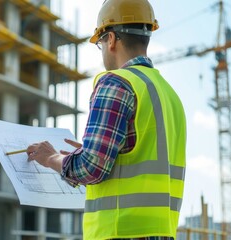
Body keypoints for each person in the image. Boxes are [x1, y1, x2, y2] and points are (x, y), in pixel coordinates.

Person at [26, 0, 186, 239]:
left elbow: (91, 168)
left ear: (110, 39)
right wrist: (104, 151)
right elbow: (140, 157)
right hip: (162, 232)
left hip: (118, 231)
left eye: (99, 43)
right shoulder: (169, 95)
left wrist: (51, 158)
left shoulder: (116, 82)